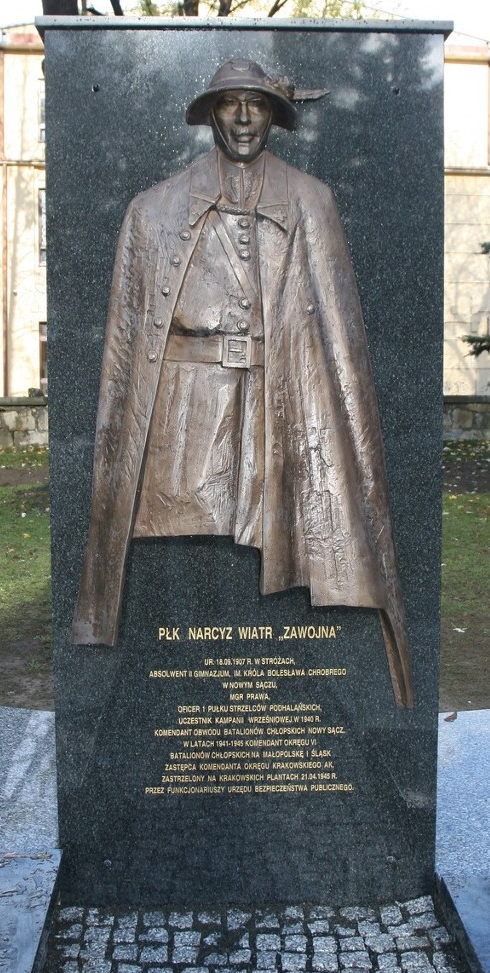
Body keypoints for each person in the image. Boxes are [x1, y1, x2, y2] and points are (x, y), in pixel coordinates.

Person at [72, 58, 413, 707]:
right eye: (230, 103)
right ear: (210, 113)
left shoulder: (311, 200)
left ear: (275, 116)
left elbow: (342, 336)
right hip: (184, 426)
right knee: (180, 578)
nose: (245, 116)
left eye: (257, 103)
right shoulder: (152, 211)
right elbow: (122, 352)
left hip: (277, 420)